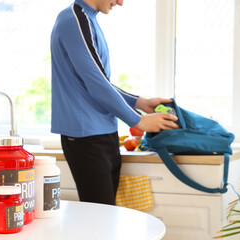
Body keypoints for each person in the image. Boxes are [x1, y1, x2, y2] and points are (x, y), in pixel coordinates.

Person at [50, 0, 179, 205]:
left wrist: (140, 103)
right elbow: (97, 84)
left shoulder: (87, 19)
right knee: (98, 220)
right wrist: (140, 121)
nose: (120, 2)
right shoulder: (75, 20)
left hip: (101, 134)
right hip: (86, 138)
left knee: (106, 217)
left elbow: (99, 81)